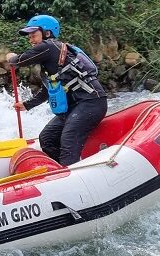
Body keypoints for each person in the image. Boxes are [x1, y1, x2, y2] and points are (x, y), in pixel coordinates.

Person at [6, 14, 107, 166]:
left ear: (47, 33)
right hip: (74, 107)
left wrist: (11, 57)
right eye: (29, 37)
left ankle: (72, 173)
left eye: (34, 35)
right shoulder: (50, 61)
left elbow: (18, 61)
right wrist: (27, 105)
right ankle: (61, 169)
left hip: (91, 103)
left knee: (68, 137)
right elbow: (49, 89)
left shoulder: (50, 46)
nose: (31, 40)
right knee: (46, 138)